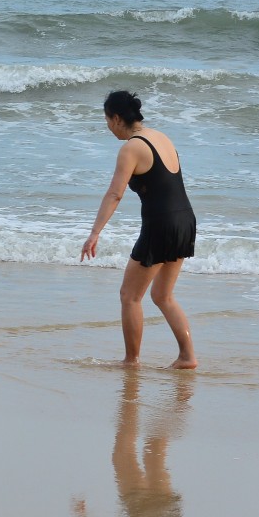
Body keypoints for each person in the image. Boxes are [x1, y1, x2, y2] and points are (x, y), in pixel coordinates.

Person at [79, 89, 198, 368]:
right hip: (185, 220)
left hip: (161, 224)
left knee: (129, 296)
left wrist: (94, 233)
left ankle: (131, 361)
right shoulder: (161, 137)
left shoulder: (131, 148)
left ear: (117, 118)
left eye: (108, 121)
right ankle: (187, 357)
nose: (108, 128)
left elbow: (114, 194)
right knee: (162, 295)